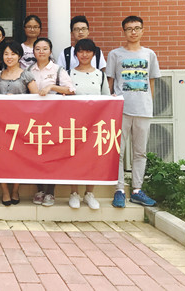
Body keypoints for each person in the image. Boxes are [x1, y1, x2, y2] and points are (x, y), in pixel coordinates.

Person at [107, 15, 160, 208]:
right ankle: (119, 189)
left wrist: (148, 104)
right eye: (129, 29)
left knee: (140, 152)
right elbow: (110, 82)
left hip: (143, 109)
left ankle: (137, 190)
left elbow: (151, 82)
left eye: (137, 28)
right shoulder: (115, 54)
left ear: (143, 30)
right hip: (121, 109)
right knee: (118, 151)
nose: (133, 32)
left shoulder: (149, 54)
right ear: (124, 32)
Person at [28, 37, 75, 207]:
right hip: (33, 118)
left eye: (45, 48)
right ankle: (40, 189)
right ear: (33, 52)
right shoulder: (29, 70)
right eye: (38, 49)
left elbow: (71, 90)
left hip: (53, 118)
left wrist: (52, 87)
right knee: (35, 154)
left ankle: (50, 192)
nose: (41, 52)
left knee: (51, 154)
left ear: (50, 51)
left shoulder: (58, 69)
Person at [0, 41, 39, 206]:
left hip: (21, 124)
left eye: (13, 54)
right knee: (1, 158)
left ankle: (15, 189)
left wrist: (18, 100)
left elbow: (36, 99)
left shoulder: (26, 75)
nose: (9, 57)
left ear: (19, 56)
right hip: (0, 124)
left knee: (18, 158)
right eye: (6, 54)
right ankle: (4, 190)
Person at [68, 38, 109, 210]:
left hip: (95, 124)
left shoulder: (100, 75)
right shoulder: (68, 73)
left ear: (94, 54)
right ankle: (74, 193)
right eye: (80, 51)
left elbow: (107, 98)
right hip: (74, 124)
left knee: (93, 159)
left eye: (88, 51)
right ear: (76, 54)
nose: (84, 55)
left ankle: (89, 193)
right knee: (74, 158)